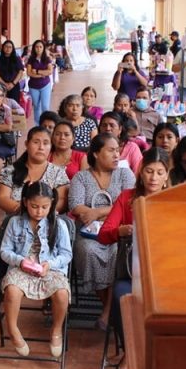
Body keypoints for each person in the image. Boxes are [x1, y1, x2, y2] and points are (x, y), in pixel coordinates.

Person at [98, 148, 169, 369]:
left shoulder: (172, 200)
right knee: (121, 300)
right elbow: (104, 234)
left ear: (167, 176)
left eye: (160, 172)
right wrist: (122, 230)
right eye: (149, 171)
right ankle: (132, 352)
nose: (154, 178)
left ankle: (134, 356)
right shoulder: (127, 197)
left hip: (164, 274)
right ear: (140, 172)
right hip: (131, 271)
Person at [68, 133, 136, 328]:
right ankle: (108, 306)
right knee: (88, 251)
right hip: (89, 234)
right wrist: (110, 210)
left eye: (118, 150)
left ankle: (106, 313)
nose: (117, 155)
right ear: (96, 153)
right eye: (111, 150)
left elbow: (127, 203)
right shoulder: (81, 177)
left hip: (118, 234)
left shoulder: (124, 174)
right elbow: (76, 206)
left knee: (116, 253)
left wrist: (98, 211)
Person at [0, 182, 72, 358]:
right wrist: (20, 261)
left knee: (62, 293)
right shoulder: (15, 223)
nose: (39, 211)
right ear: (25, 202)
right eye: (34, 206)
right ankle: (12, 328)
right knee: (12, 290)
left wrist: (50, 265)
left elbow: (66, 254)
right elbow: (4, 250)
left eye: (44, 207)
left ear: (52, 204)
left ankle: (56, 329)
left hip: (50, 269)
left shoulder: (58, 225)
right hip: (21, 267)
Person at [0, 126, 69, 215]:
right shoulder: (11, 170)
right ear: (27, 144)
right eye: (36, 142)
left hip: (47, 223)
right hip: (16, 221)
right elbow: (2, 198)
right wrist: (25, 212)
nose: (41, 147)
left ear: (51, 146)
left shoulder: (58, 172)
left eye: (46, 143)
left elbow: (62, 200)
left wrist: (41, 213)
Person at [25, 40, 55, 126]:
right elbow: (29, 73)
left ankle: (46, 124)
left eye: (40, 47)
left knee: (45, 106)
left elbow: (50, 71)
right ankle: (37, 125)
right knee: (36, 106)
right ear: (34, 48)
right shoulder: (31, 59)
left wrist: (37, 71)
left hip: (45, 85)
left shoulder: (47, 59)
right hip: (33, 86)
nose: (38, 49)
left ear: (43, 48)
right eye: (36, 47)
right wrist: (42, 74)